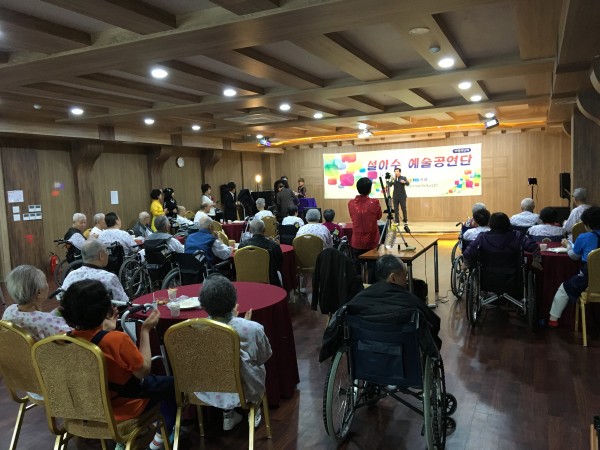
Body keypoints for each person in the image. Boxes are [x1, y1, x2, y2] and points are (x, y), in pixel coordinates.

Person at [60, 279, 176, 450]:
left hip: (86, 409)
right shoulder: (116, 339)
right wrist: (145, 330)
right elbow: (143, 371)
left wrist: (105, 330)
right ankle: (163, 435)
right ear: (104, 309)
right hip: (124, 408)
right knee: (173, 385)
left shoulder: (65, 340)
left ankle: (125, 442)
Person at [320, 255, 441, 363]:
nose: (407, 280)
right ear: (393, 278)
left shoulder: (356, 302)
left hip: (365, 360)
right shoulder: (411, 301)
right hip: (402, 362)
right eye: (405, 276)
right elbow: (433, 323)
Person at [195, 276, 272, 431]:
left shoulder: (195, 329)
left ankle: (228, 415)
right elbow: (264, 356)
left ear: (203, 304)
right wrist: (245, 322)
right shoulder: (253, 329)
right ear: (233, 300)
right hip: (245, 389)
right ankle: (254, 410)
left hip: (208, 389)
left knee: (218, 366)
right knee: (252, 366)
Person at [548, 206, 600, 327]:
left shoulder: (584, 237)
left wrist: (568, 246)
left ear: (587, 225)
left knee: (564, 288)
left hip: (589, 279)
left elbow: (574, 256)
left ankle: (553, 320)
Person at [3, 265, 70, 341]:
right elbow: (70, 334)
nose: (47, 284)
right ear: (39, 292)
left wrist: (56, 312)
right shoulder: (44, 322)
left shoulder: (9, 310)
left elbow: (36, 317)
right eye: (46, 282)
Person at [463, 212, 540, 269]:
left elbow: (467, 252)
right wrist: (536, 261)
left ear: (490, 224)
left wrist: (466, 263)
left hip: (488, 273)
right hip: (513, 273)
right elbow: (534, 247)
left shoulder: (482, 237)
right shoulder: (517, 236)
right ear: (508, 223)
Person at [61, 240, 129, 304]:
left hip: (74, 311)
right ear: (101, 255)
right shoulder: (109, 278)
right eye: (106, 251)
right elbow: (123, 301)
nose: (108, 254)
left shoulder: (71, 275)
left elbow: (62, 297)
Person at [238, 218, 283, 286]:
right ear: (264, 229)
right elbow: (279, 264)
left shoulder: (242, 246)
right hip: (270, 281)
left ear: (250, 230)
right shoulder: (274, 246)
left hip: (247, 281)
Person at [348, 177, 382, 258]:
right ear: (370, 189)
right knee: (373, 264)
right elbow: (379, 217)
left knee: (357, 264)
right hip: (372, 240)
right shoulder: (375, 202)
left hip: (357, 241)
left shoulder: (350, 203)